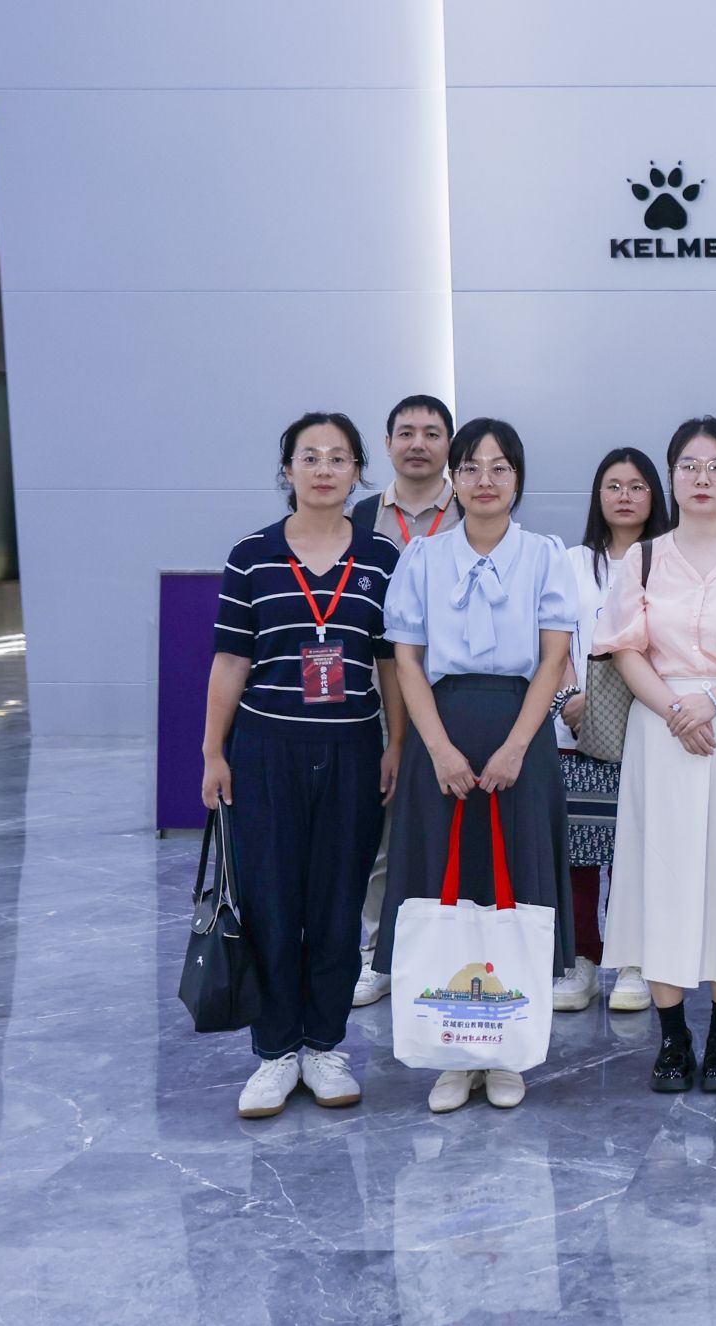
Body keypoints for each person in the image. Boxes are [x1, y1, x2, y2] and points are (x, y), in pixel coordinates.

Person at [376, 417, 579, 1114]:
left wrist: (518, 745)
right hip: (444, 732)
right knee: (444, 885)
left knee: (514, 886)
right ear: (453, 479)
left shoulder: (545, 556)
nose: (484, 480)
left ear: (517, 478)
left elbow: (554, 658)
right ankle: (452, 1053)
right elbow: (406, 659)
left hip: (521, 734)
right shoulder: (423, 558)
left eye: (499, 467)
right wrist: (436, 748)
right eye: (470, 467)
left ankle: (505, 1051)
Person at [207, 413, 405, 1118]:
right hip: (266, 752)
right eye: (310, 457)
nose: (324, 469)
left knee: (336, 905)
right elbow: (231, 659)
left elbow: (391, 662)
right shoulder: (252, 555)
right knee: (270, 902)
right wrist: (213, 751)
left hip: (352, 752)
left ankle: (323, 1045)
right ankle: (274, 1053)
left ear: (357, 472)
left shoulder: (382, 557)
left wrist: (395, 743)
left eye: (338, 458)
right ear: (287, 469)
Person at [596, 417, 716, 1095]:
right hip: (660, 729)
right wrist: (675, 710)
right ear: (671, 477)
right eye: (689, 466)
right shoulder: (643, 558)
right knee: (664, 876)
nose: (702, 478)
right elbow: (624, 646)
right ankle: (673, 1036)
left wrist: (708, 703)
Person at [550, 449, 671, 1013]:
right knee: (577, 851)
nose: (625, 496)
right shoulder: (570, 563)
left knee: (636, 849)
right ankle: (581, 959)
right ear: (597, 496)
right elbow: (553, 638)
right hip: (574, 725)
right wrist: (571, 701)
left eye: (637, 486)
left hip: (648, 725)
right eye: (614, 485)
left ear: (654, 497)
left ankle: (634, 961)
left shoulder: (668, 562)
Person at [351, 394, 460, 1010]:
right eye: (407, 432)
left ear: (449, 445)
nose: (419, 443)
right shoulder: (362, 516)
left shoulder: (472, 507)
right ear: (388, 443)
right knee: (384, 834)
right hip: (377, 694)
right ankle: (378, 953)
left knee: (457, 827)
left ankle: (454, 952)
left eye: (432, 432)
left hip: (455, 694)